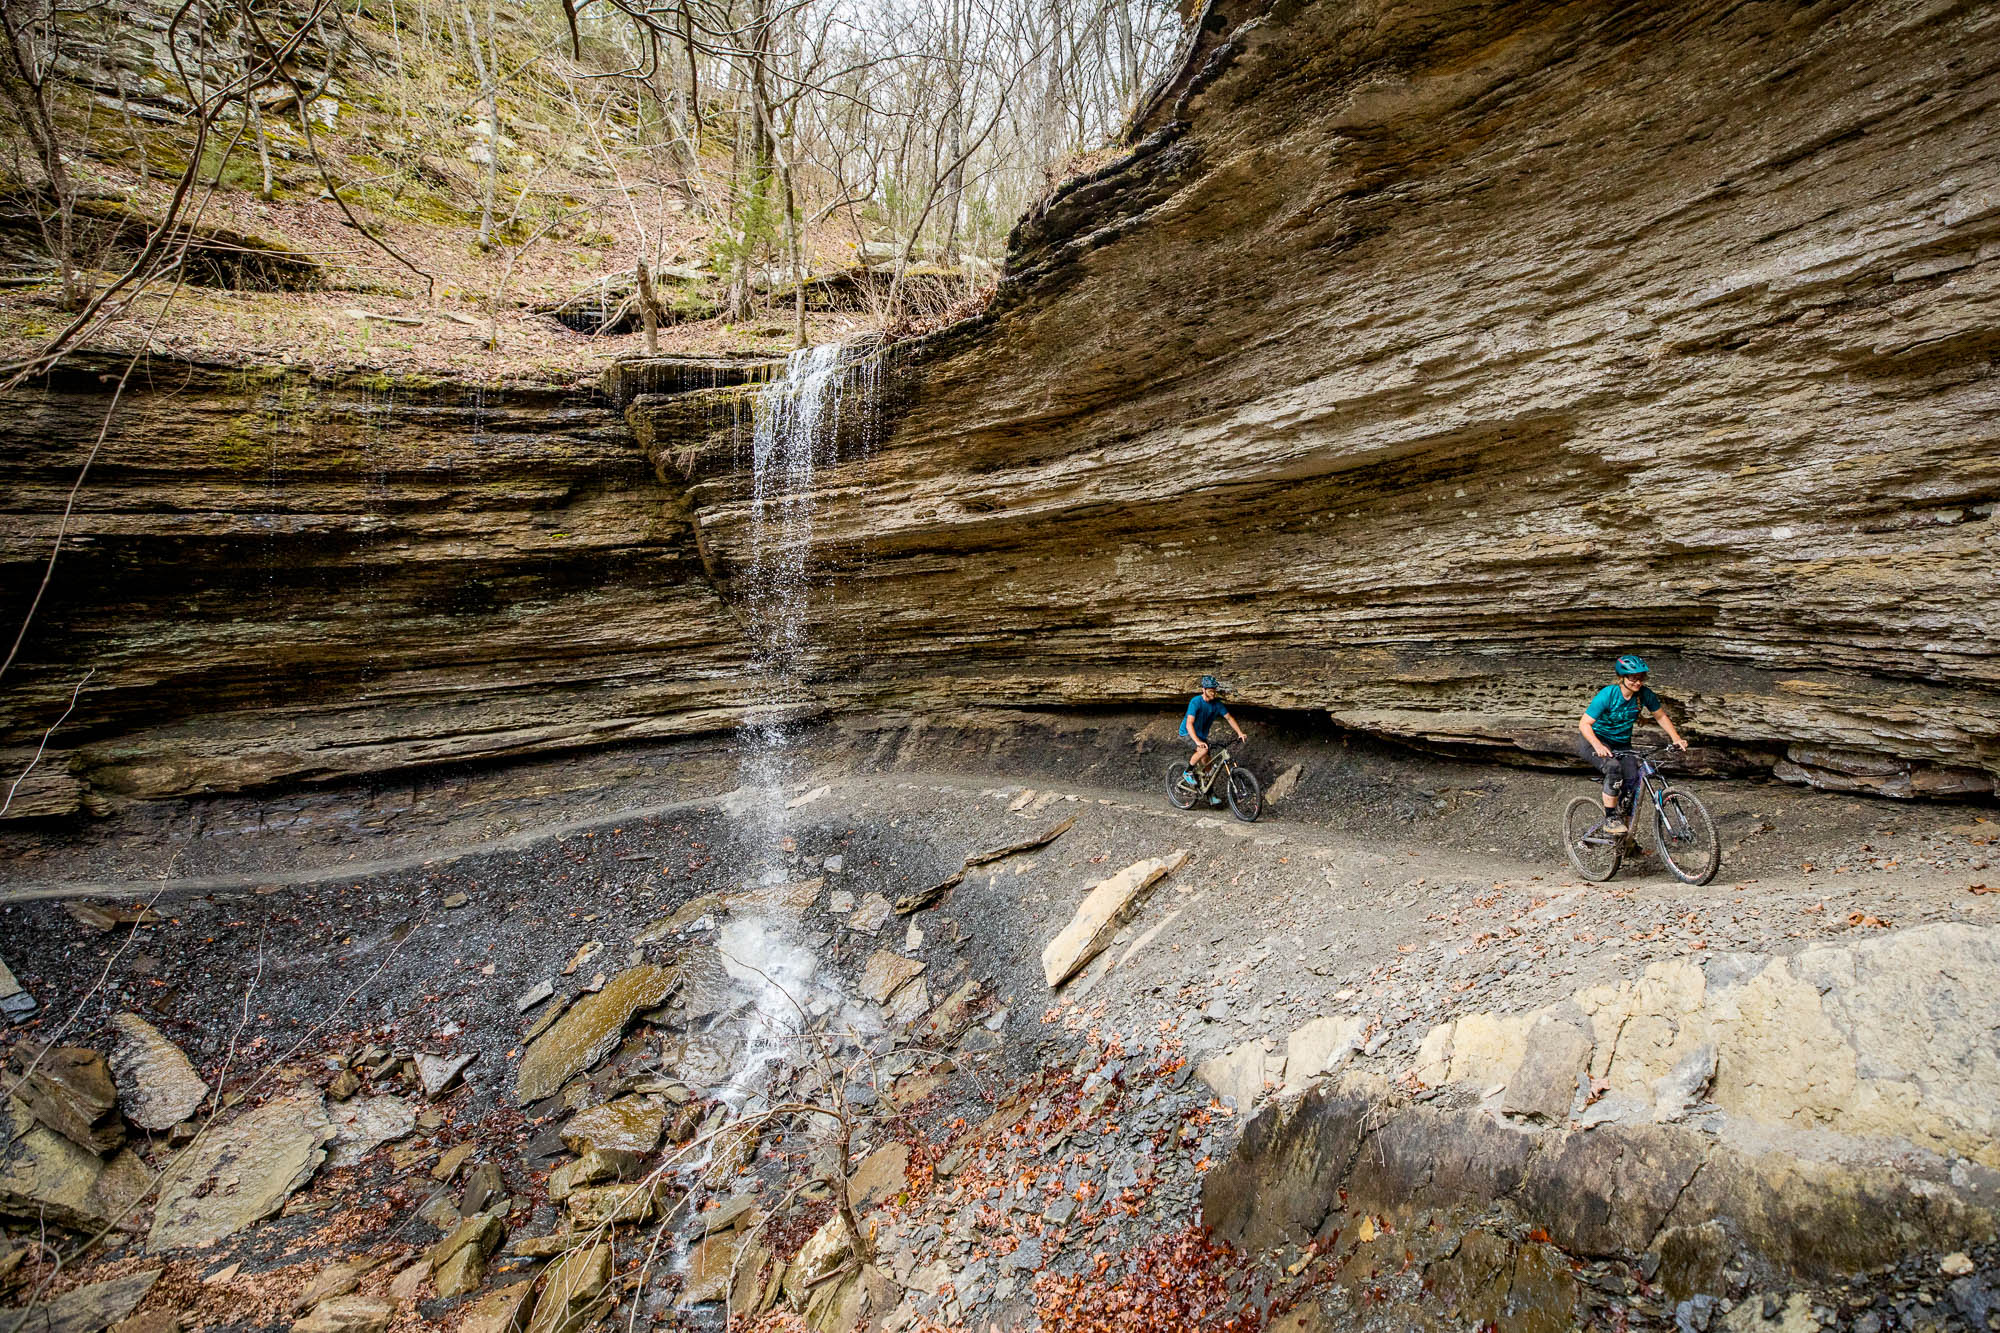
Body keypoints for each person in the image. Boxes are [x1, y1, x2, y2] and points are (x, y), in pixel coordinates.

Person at [1578, 655, 1689, 834]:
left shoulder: (1644, 694)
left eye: (1641, 678)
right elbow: (1584, 724)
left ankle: (1627, 843)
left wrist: (1676, 738)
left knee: (1631, 785)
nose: (1637, 682)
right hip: (1594, 740)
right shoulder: (1608, 694)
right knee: (1614, 769)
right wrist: (1598, 745)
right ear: (1622, 677)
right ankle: (1610, 819)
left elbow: (1660, 715)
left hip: (1622, 744)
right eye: (1632, 678)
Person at [1183, 675, 1247, 782]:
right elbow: (1189, 723)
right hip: (1187, 732)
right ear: (1203, 690)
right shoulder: (1196, 702)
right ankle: (1187, 772)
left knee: (1207, 763)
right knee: (1203, 750)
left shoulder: (1217, 704)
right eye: (1210, 691)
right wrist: (1197, 741)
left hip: (1201, 735)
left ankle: (1209, 792)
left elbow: (1229, 718)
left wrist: (1240, 733)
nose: (1213, 693)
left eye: (1214, 690)